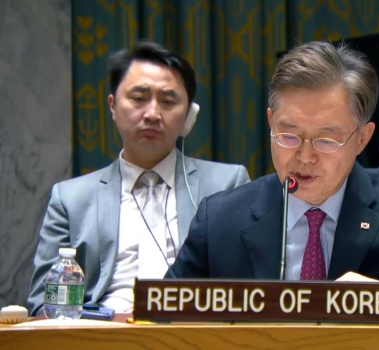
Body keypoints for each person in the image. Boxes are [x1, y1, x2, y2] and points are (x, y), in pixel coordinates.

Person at [166, 41, 379, 317]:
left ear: (362, 138)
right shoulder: (221, 218)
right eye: (288, 135)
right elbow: (162, 310)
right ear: (271, 122)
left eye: (326, 140)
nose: (304, 156)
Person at [28, 41, 251, 315]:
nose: (153, 114)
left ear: (188, 117)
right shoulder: (70, 199)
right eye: (138, 98)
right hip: (102, 334)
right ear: (112, 105)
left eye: (168, 102)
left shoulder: (227, 184)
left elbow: (248, 294)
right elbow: (42, 304)